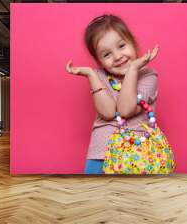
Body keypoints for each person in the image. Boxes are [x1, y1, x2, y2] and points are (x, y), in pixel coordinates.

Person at [66, 14, 174, 174]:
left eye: (122, 46)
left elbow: (125, 109)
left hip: (139, 155)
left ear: (133, 42)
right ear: (99, 60)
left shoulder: (148, 76)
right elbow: (109, 112)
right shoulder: (100, 76)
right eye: (106, 54)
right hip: (101, 154)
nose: (117, 57)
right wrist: (91, 75)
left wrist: (132, 70)